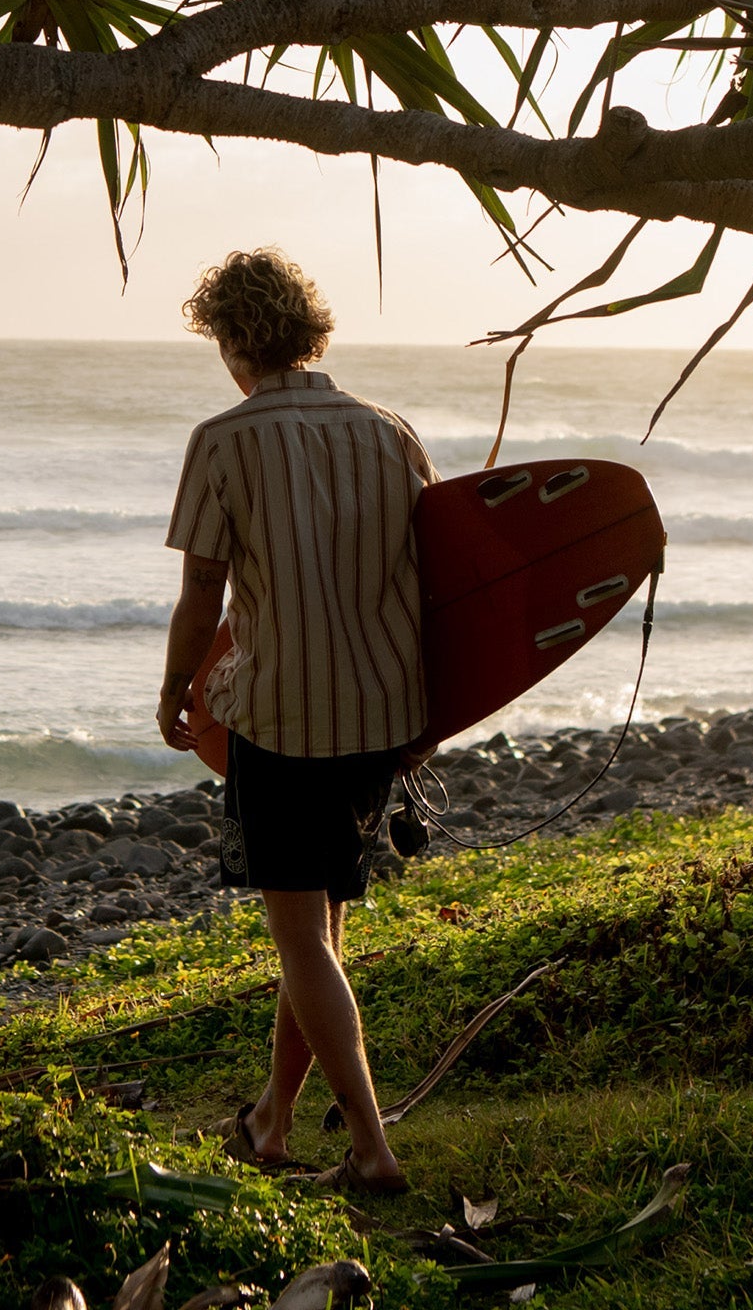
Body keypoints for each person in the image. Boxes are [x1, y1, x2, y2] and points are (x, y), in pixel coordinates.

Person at [157, 249, 437, 1194]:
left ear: (234, 340)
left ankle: (371, 1150)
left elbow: (202, 595)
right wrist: (434, 707)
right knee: (319, 935)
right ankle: (271, 1121)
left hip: (279, 721)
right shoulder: (389, 431)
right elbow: (436, 577)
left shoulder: (223, 440)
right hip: (377, 713)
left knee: (301, 940)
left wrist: (176, 688)